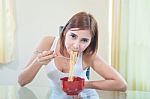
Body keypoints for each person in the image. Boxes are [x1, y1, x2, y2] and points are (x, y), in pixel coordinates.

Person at [18, 12, 127, 99]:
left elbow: (121, 85)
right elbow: (22, 81)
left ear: (90, 42)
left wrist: (83, 85)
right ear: (65, 32)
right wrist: (38, 62)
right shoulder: (48, 43)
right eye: (73, 36)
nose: (76, 45)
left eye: (84, 40)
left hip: (85, 96)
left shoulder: (88, 55)